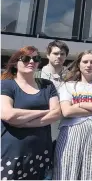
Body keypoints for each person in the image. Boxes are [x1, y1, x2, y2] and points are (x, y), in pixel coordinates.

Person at [53, 49, 92, 180]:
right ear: (79, 64)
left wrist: (80, 104)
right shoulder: (68, 85)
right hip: (70, 133)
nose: (89, 65)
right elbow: (67, 111)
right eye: (85, 62)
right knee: (65, 174)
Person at [1, 46, 62, 180]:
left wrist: (23, 122)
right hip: (12, 153)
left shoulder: (47, 85)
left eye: (36, 58)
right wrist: (44, 112)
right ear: (15, 63)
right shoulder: (6, 85)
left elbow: (57, 113)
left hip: (41, 153)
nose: (32, 61)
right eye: (26, 58)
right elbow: (8, 115)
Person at [36, 40, 69, 179]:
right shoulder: (37, 76)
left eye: (62, 54)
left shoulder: (71, 78)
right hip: (40, 129)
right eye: (55, 53)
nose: (59, 57)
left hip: (64, 131)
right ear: (48, 55)